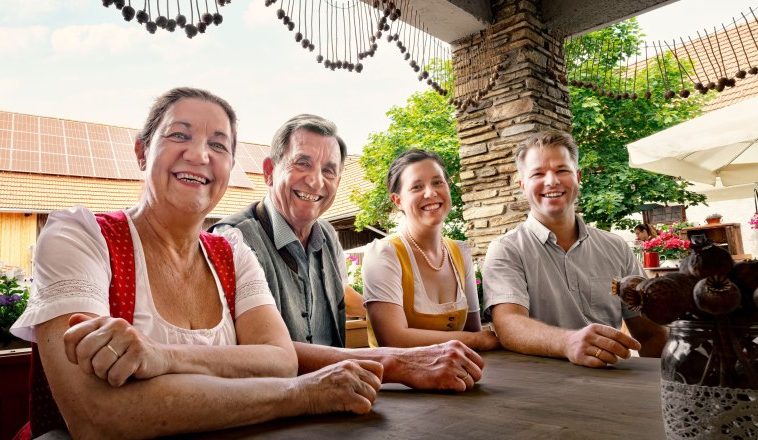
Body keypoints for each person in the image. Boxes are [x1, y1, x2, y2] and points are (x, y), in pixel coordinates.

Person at [10, 88, 382, 438]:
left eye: (218, 145)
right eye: (179, 135)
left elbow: (280, 360)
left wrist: (162, 358)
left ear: (230, 166)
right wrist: (300, 394)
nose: (200, 155)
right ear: (142, 152)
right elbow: (97, 417)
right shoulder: (79, 236)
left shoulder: (232, 252)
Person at [211, 115, 485, 391]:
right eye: (302, 163)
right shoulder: (232, 239)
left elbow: (346, 297)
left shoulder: (328, 236)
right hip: (272, 404)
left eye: (329, 171)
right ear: (269, 172)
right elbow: (253, 349)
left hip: (339, 399)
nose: (316, 181)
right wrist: (396, 362)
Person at [482, 129, 668, 368]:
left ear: (578, 177)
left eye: (562, 170)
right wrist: (568, 342)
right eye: (538, 173)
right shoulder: (506, 250)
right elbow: (509, 326)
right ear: (522, 185)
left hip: (611, 379)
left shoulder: (616, 247)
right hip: (538, 384)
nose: (552, 181)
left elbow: (651, 333)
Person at [361, 149, 501, 351]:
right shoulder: (384, 253)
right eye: (417, 187)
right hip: (395, 372)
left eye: (438, 182)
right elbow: (393, 339)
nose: (431, 193)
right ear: (398, 201)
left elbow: (472, 330)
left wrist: (477, 339)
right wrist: (476, 340)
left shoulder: (460, 252)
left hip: (459, 369)